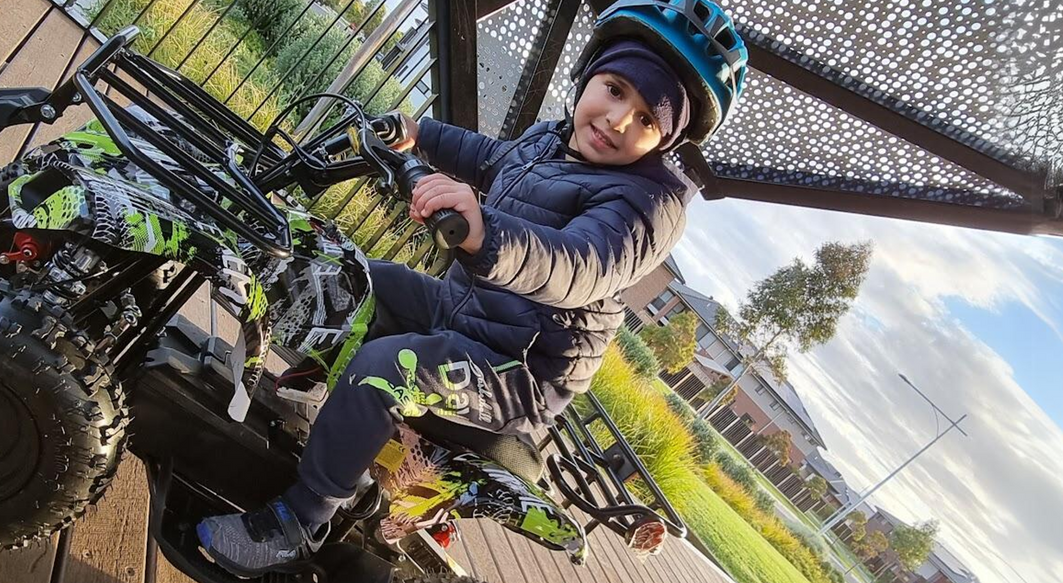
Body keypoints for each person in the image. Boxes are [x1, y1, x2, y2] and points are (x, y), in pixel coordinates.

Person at [196, 0, 749, 575]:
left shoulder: (649, 207)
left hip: (519, 375)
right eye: (614, 90)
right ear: (588, 76)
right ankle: (315, 400)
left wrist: (485, 232)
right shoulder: (548, 140)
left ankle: (298, 522)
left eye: (646, 120)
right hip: (462, 316)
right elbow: (489, 158)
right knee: (356, 275)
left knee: (387, 369)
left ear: (664, 143)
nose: (617, 121)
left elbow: (581, 265)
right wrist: (417, 133)